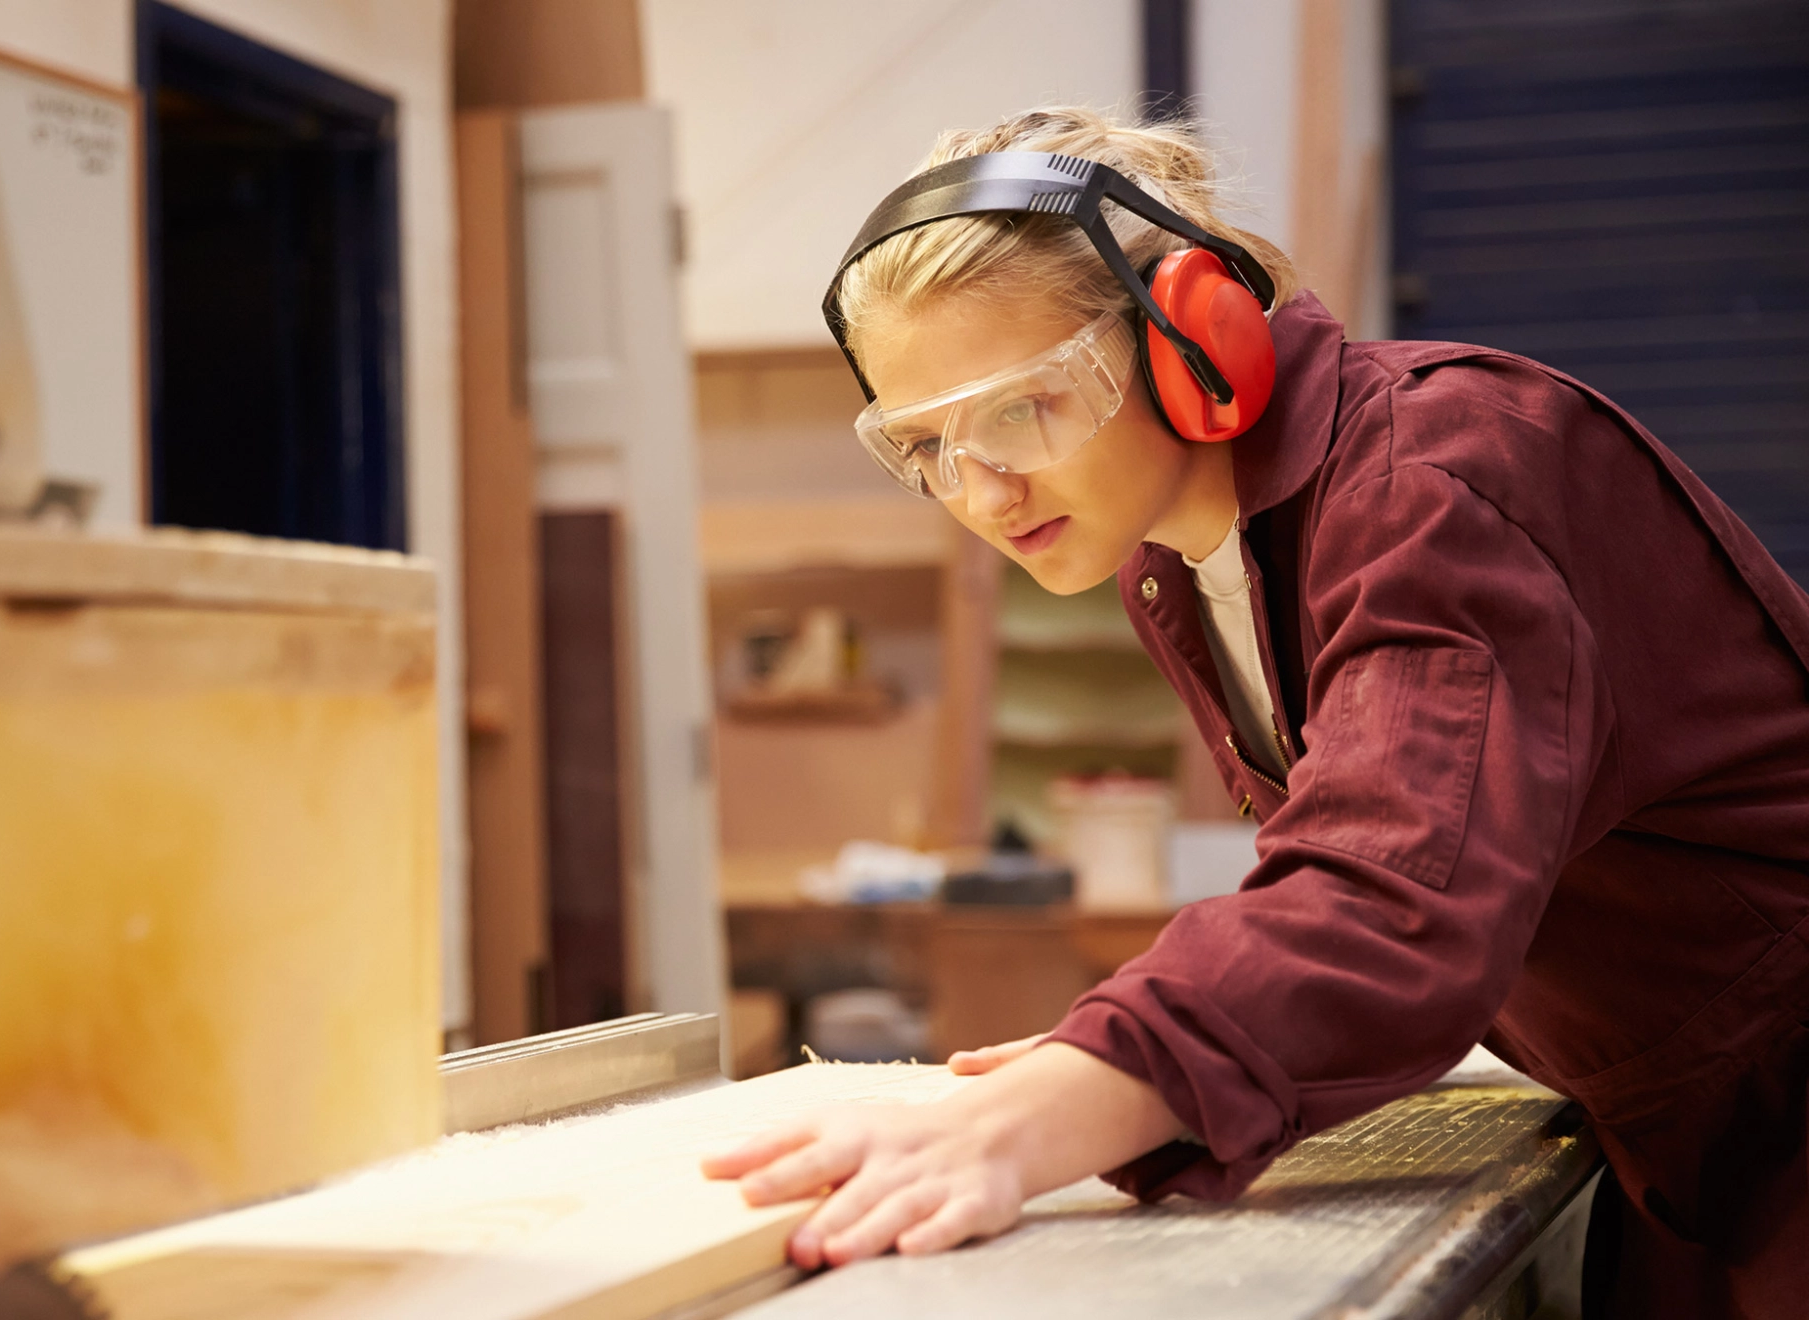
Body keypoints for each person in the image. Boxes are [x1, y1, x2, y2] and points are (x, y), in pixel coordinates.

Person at [700, 106, 1809, 1318]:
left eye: (1023, 408)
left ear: (1191, 333)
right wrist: (1132, 1056)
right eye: (924, 445)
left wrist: (1083, 1090)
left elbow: (1395, 890)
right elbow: (1350, 861)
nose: (981, 491)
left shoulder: (1438, 479)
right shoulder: (1180, 563)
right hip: (1687, 1137)